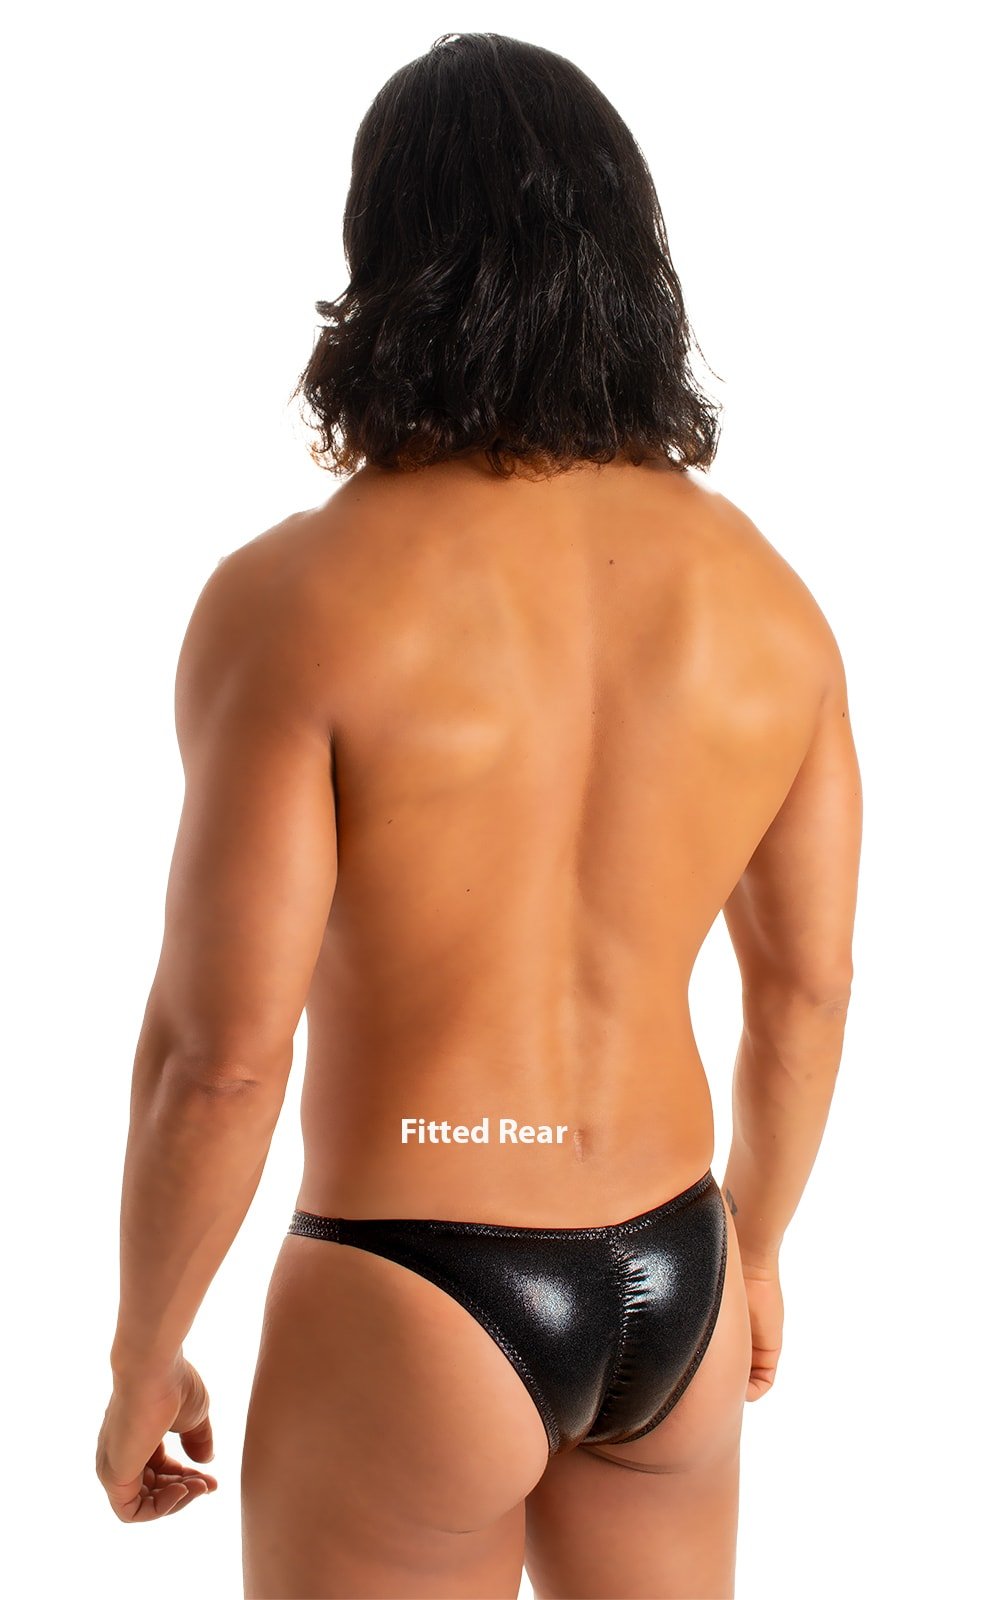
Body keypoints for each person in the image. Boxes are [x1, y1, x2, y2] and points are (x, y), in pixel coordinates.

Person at [95, 30, 862, 1600]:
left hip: (414, 1285)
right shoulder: (767, 600)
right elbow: (807, 984)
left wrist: (143, 1351)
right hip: (678, 1270)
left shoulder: (298, 601)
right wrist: (763, 1241)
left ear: (385, 263)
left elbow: (221, 1056)